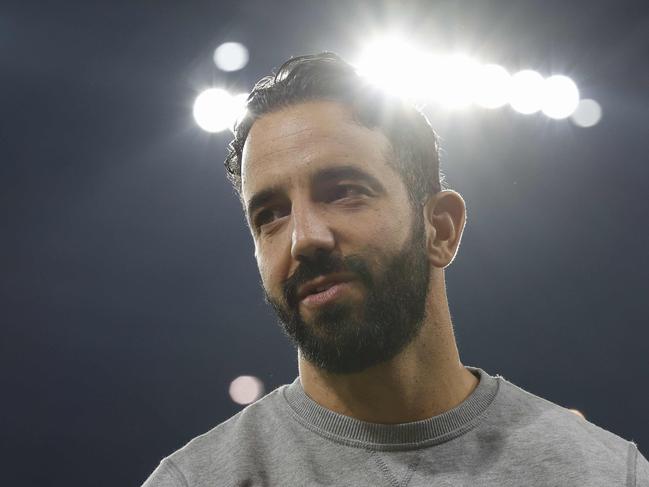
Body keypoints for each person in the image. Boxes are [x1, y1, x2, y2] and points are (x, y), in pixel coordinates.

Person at [143, 52, 648, 486]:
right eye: (270, 214)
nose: (304, 238)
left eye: (343, 191)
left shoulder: (601, 472)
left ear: (441, 228)